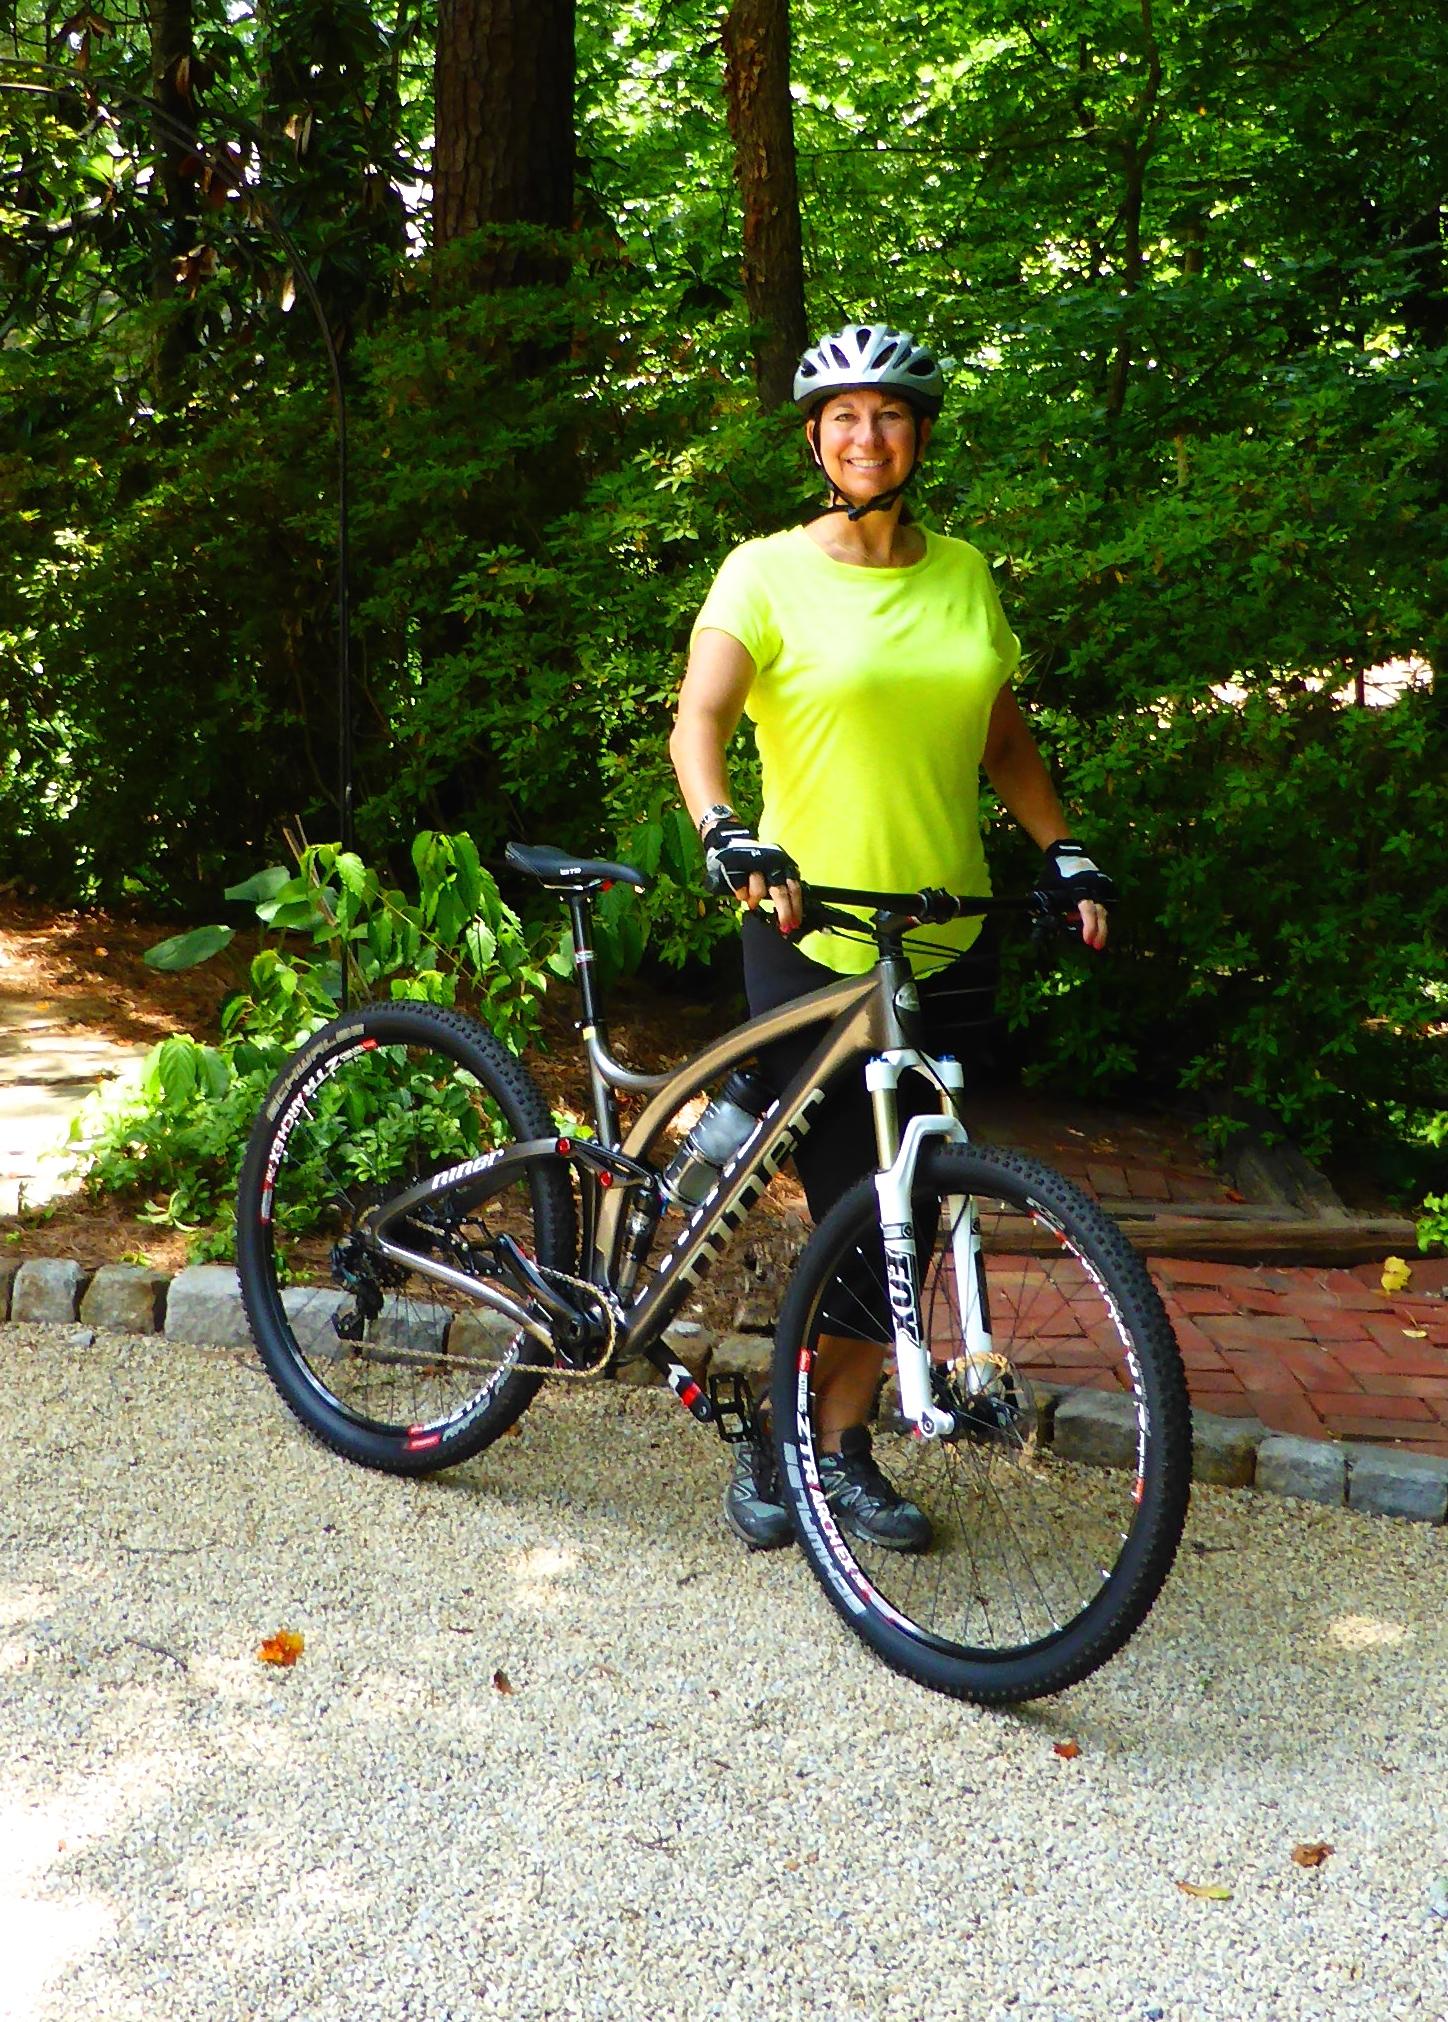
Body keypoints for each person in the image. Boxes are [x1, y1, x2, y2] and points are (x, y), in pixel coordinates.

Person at [669, 321, 1115, 1552]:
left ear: (917, 436)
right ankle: (797, 1436)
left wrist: (1059, 848)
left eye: (890, 416)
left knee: (900, 1206)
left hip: (941, 928)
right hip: (804, 922)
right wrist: (722, 832)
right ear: (815, 438)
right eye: (843, 417)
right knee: (843, 1201)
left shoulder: (963, 572)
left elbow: (1002, 739)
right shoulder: (760, 570)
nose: (867, 436)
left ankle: (827, 1446)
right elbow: (697, 718)